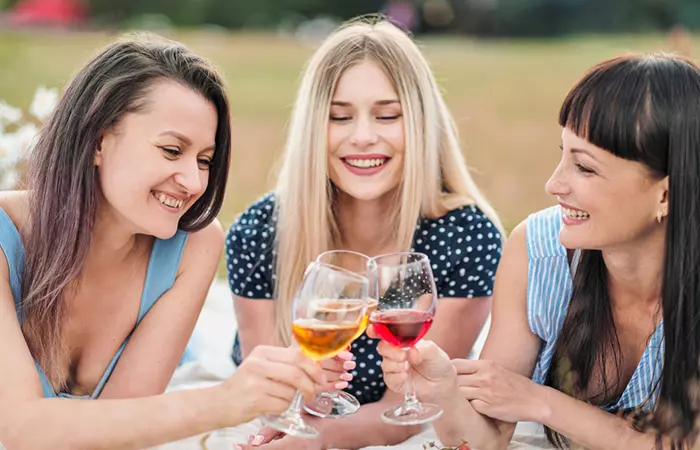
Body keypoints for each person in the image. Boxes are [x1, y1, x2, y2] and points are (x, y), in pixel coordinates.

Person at [0, 33, 325, 449]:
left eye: (204, 160)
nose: (194, 182)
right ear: (98, 140)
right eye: (172, 150)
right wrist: (224, 402)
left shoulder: (194, 245)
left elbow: (120, 433)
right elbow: (21, 428)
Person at [376, 53, 700, 449]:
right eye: (561, 153)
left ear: (666, 193)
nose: (554, 184)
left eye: (585, 167)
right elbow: (485, 441)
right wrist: (444, 390)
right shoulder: (538, 253)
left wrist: (542, 403)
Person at [226, 15, 504, 449]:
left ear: (419, 122)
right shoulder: (260, 231)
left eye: (387, 115)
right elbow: (273, 399)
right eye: (339, 117)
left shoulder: (465, 237)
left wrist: (318, 440)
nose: (362, 137)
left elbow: (408, 410)